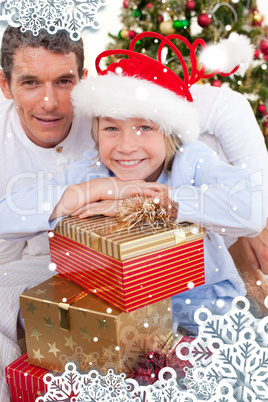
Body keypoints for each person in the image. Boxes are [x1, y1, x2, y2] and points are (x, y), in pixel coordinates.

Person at [0, 32, 265, 339]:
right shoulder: (91, 168)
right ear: (97, 132)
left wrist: (161, 203)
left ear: (168, 130)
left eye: (144, 128)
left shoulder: (190, 160)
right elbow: (7, 216)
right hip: (132, 320)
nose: (126, 146)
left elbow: (252, 209)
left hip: (210, 312)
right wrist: (97, 190)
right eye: (112, 128)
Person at [0, 26, 95, 401]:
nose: (50, 102)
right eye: (30, 83)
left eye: (64, 81)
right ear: (5, 85)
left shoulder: (111, 119)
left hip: (96, 261)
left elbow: (219, 105)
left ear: (84, 81)